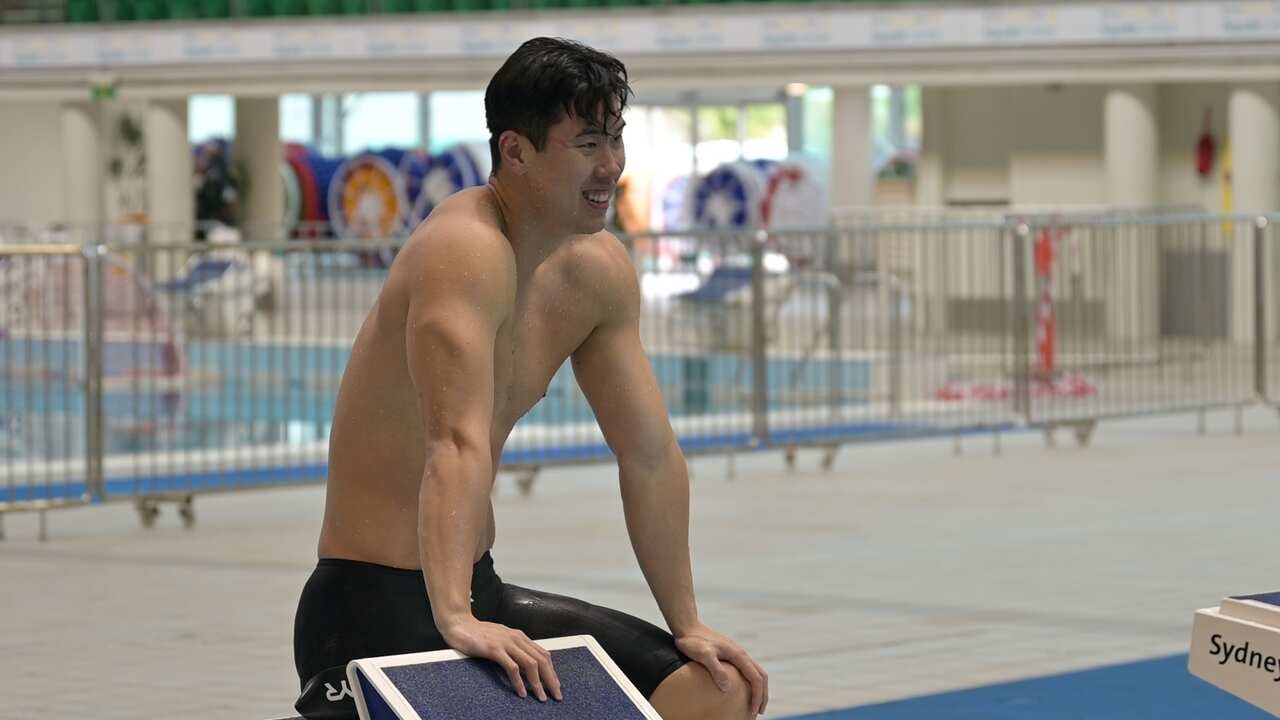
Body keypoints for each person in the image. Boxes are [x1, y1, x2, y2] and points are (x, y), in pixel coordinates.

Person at [292, 37, 768, 720]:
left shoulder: (595, 272)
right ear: (515, 151)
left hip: (482, 592)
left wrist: (687, 620)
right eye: (586, 145)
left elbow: (650, 455)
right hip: (372, 607)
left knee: (715, 692)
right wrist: (454, 618)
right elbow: (453, 443)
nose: (611, 167)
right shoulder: (464, 248)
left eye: (616, 139)